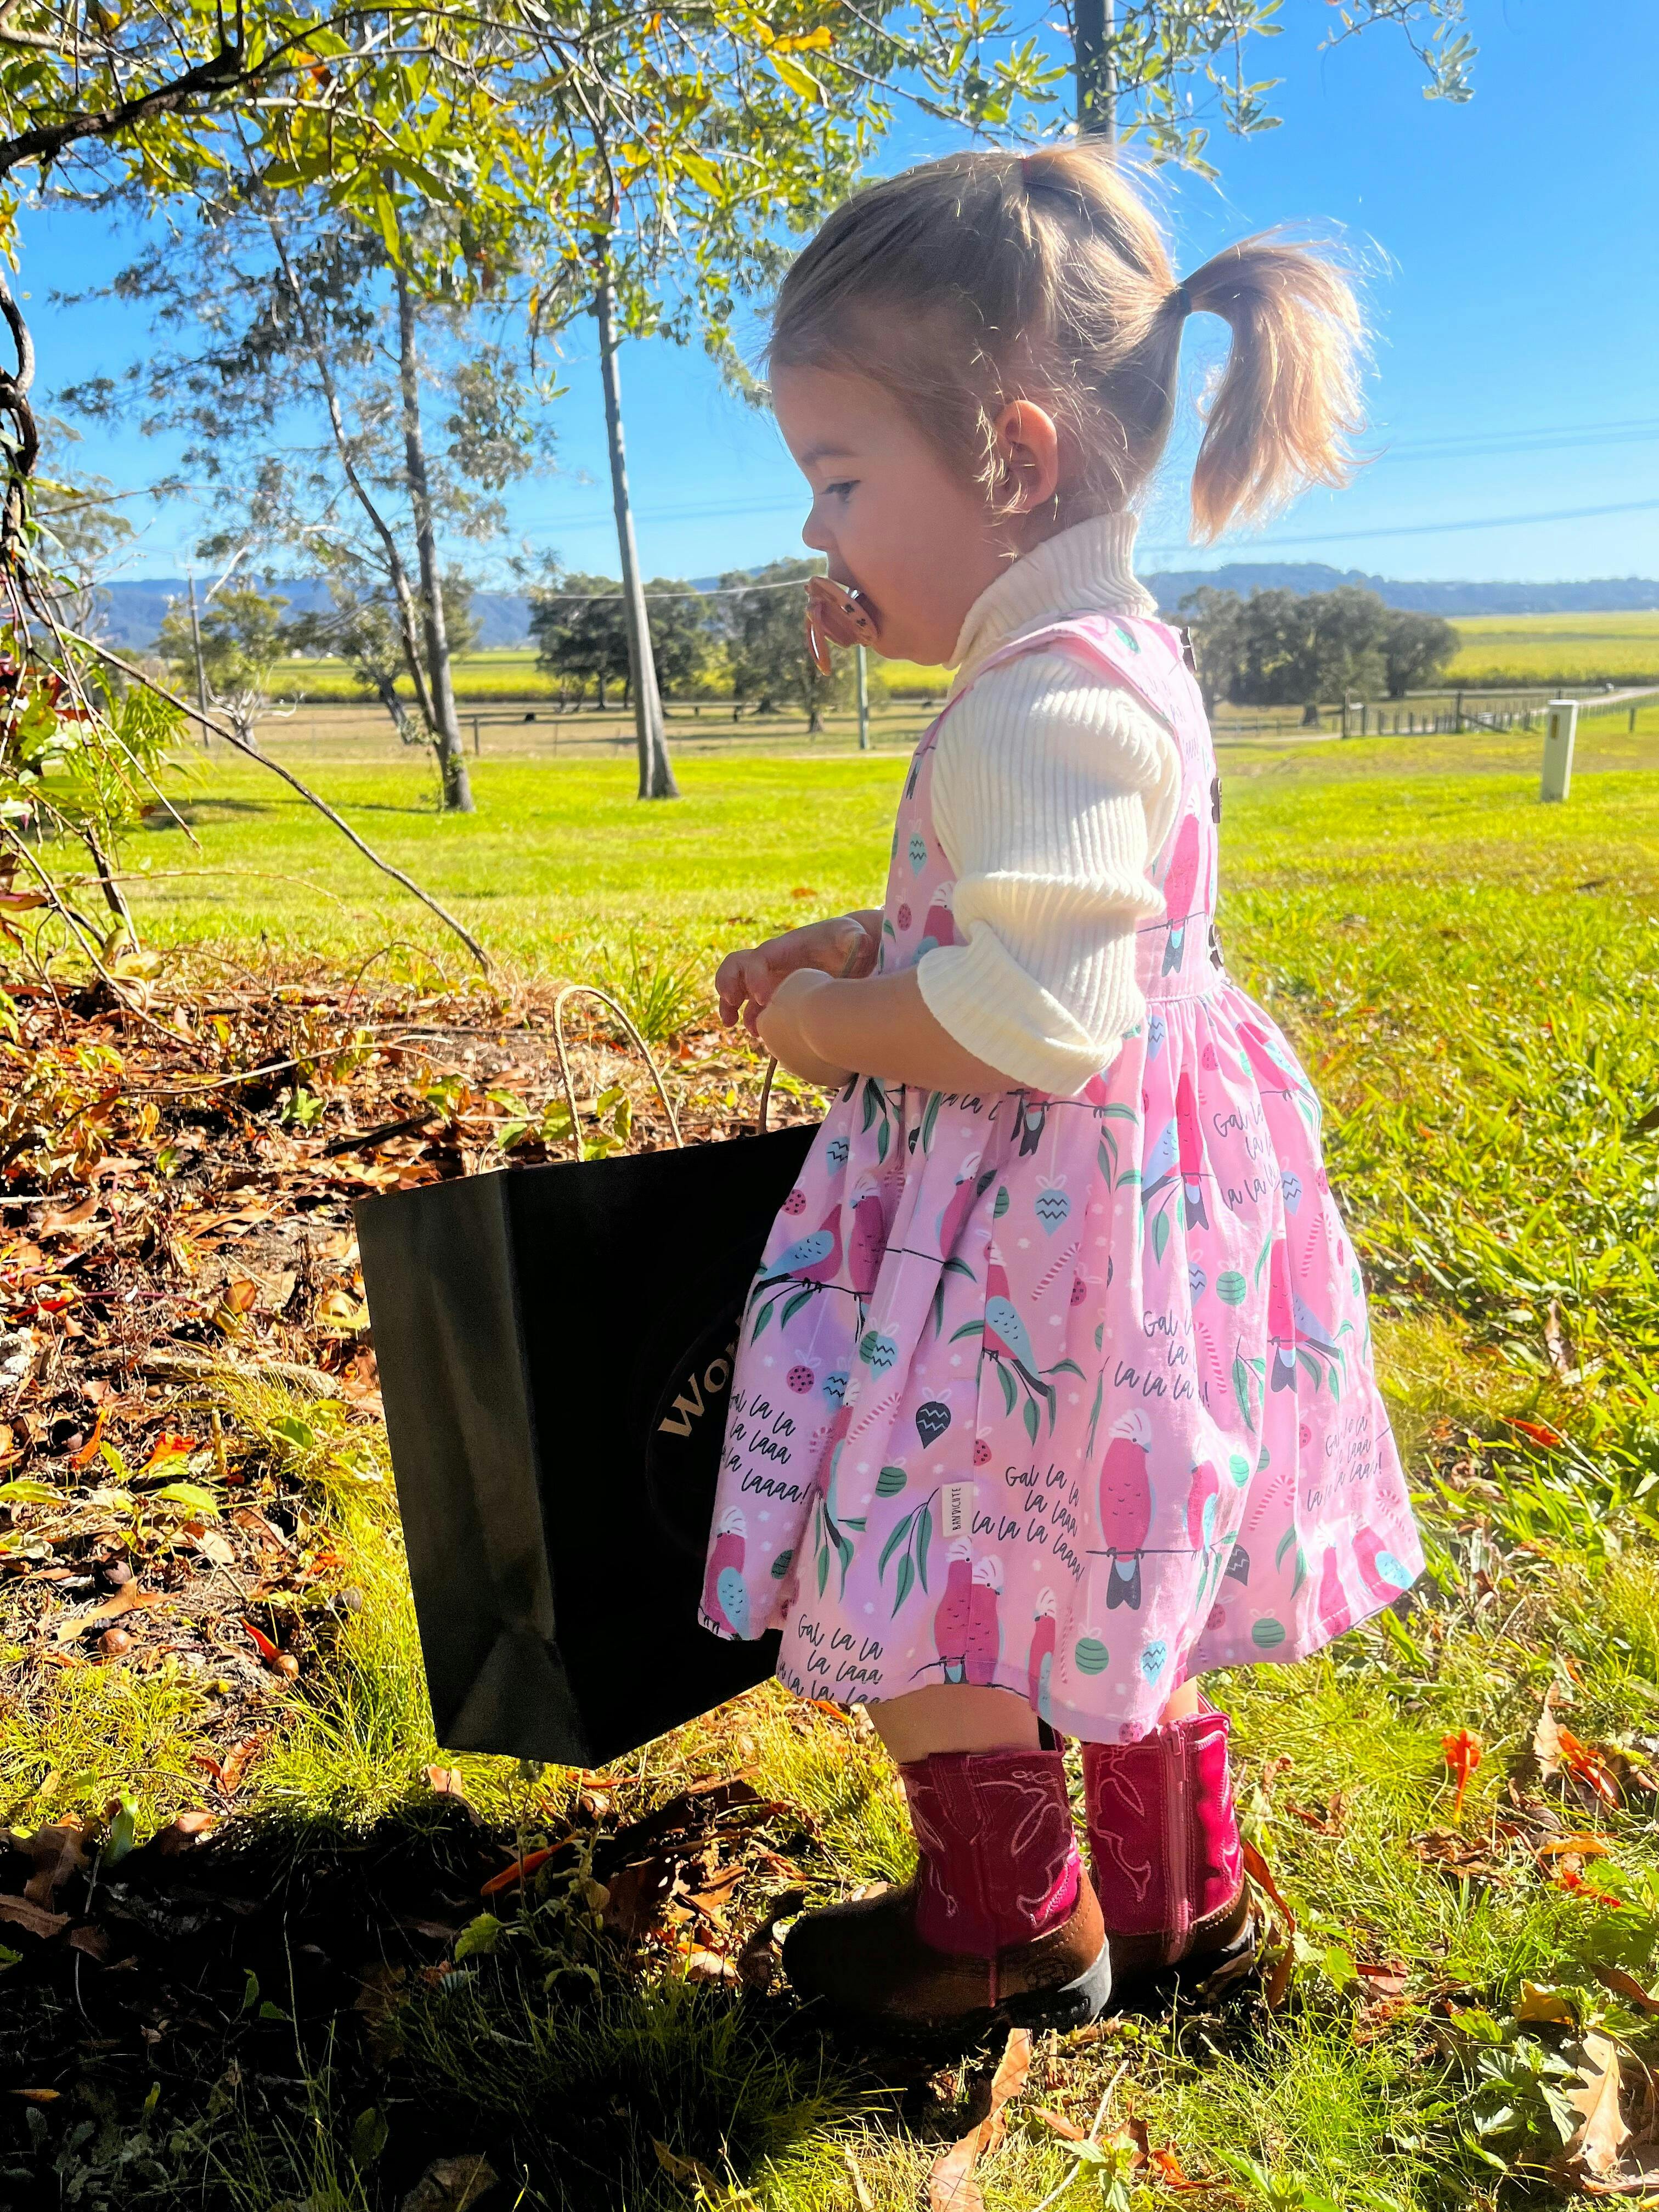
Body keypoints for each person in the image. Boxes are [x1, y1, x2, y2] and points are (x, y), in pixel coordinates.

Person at [704, 142, 1420, 2039]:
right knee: (1100, 1545)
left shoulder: (1046, 698)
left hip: (1025, 1237)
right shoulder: (1091, 656)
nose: (816, 529)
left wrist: (825, 1028)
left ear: (1013, 459)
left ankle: (1002, 1928)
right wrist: (876, 937)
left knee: (935, 1543)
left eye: (840, 479)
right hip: (1125, 1220)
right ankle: (1179, 1904)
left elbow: (1032, 1018)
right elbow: (1043, 921)